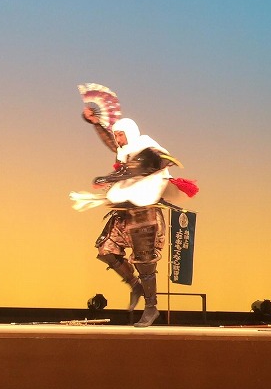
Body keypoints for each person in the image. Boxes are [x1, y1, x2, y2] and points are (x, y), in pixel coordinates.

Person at [80, 107, 198, 327]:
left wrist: (109, 177)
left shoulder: (148, 148)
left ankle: (151, 307)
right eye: (116, 135)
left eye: (120, 135)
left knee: (145, 262)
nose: (117, 139)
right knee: (106, 249)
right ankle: (135, 286)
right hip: (125, 213)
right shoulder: (126, 151)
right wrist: (96, 123)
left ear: (130, 133)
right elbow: (113, 145)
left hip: (146, 215)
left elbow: (140, 167)